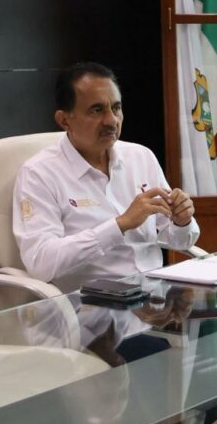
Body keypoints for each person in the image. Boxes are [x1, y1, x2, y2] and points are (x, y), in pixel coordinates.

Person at [13, 62, 200, 292]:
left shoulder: (141, 157)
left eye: (116, 108)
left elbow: (179, 241)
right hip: (88, 304)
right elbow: (40, 263)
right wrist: (119, 226)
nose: (111, 121)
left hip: (154, 295)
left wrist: (182, 221)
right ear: (64, 120)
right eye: (97, 110)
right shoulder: (39, 173)